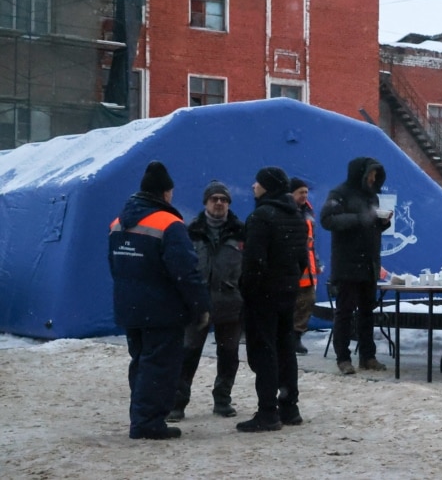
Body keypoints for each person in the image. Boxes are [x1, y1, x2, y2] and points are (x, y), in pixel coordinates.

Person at [108, 161, 210, 440]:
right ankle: (148, 423)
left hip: (130, 307)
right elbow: (186, 271)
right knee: (160, 366)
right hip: (162, 310)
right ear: (165, 193)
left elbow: (114, 265)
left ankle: (141, 416)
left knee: (140, 362)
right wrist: (200, 306)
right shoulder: (169, 223)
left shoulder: (118, 223)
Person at [237, 166, 309, 432]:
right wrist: (288, 281)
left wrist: (248, 289)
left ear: (267, 186)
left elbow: (254, 261)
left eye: (258, 183)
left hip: (263, 295)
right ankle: (289, 407)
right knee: (285, 348)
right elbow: (302, 259)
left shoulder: (261, 216)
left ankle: (267, 411)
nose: (254, 186)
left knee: (263, 350)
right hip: (287, 292)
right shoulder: (296, 216)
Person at [169, 180, 245, 423]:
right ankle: (177, 404)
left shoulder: (241, 232)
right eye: (215, 199)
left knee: (229, 354)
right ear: (206, 203)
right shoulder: (190, 231)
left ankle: (222, 400)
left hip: (231, 304)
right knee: (188, 353)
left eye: (224, 199)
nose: (219, 203)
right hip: (197, 305)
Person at [321, 157, 391, 375]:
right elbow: (328, 220)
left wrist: (381, 224)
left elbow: (370, 225)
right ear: (360, 173)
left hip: (369, 263)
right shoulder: (339, 193)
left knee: (367, 313)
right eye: (371, 174)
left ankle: (368, 357)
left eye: (375, 175)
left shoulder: (372, 197)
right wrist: (359, 218)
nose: (373, 178)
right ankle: (343, 358)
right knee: (344, 312)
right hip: (347, 263)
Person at [289, 177, 322, 355]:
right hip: (291, 265)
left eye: (306, 192)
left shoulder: (308, 211)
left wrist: (316, 262)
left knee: (307, 301)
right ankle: (287, 337)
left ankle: (296, 336)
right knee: (290, 303)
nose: (304, 195)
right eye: (301, 192)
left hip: (307, 266)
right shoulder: (286, 211)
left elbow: (311, 240)